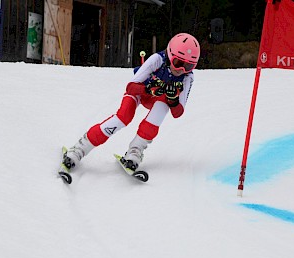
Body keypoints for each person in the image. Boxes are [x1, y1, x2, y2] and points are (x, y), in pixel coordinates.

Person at [59, 33, 200, 177]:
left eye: (189, 66)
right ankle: (79, 149)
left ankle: (135, 151)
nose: (181, 70)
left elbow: (178, 113)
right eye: (178, 63)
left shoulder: (188, 77)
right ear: (170, 55)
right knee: (123, 117)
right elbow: (131, 87)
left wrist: (173, 100)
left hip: (156, 99)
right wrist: (148, 89)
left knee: (162, 107)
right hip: (139, 92)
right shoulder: (157, 60)